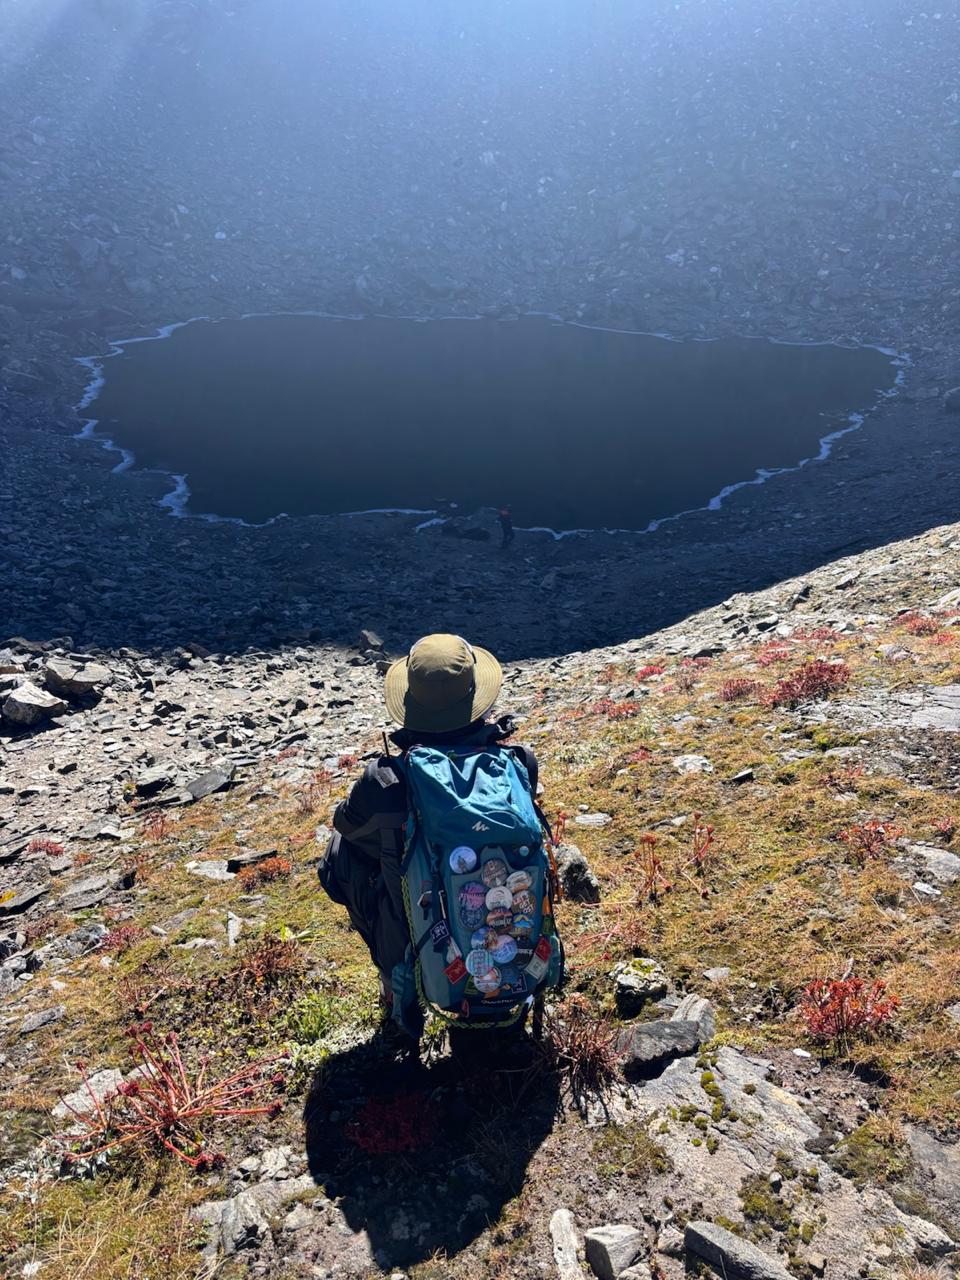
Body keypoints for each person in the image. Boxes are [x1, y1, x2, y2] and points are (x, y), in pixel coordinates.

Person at [318, 633, 539, 1021]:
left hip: (415, 937)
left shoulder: (385, 783)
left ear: (411, 704)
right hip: (511, 928)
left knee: (340, 853)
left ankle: (396, 978)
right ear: (476, 697)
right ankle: (514, 971)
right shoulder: (519, 764)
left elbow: (347, 827)